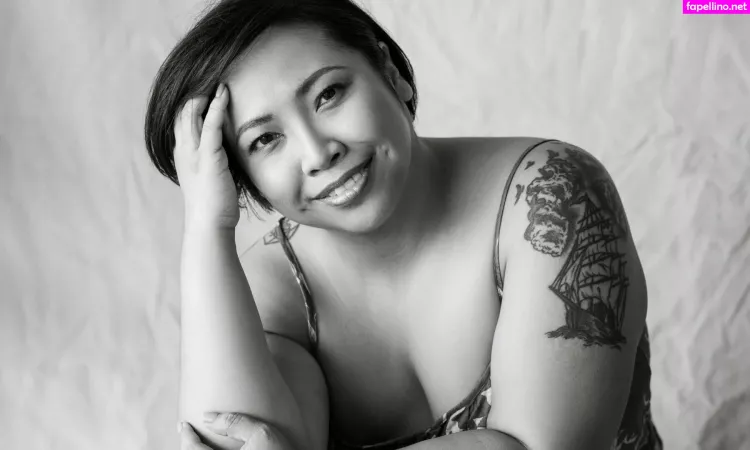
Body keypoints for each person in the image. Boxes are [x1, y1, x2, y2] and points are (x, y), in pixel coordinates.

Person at [144, 0, 663, 449]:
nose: (318, 153)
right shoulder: (270, 290)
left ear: (390, 71)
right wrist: (207, 229)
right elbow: (233, 439)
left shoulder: (551, 195)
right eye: (265, 140)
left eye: (328, 94)